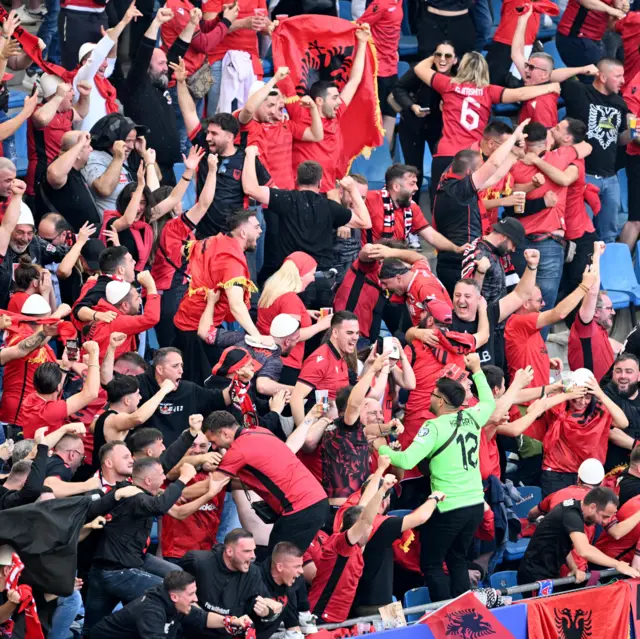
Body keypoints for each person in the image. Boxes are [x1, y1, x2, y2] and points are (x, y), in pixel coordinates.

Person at [375, 354, 496, 602]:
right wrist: (477, 371)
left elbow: (407, 461)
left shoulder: (434, 426)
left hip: (449, 506)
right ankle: (463, 612)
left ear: (441, 402)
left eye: (432, 394)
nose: (429, 397)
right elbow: (490, 403)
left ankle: (446, 615)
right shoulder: (472, 416)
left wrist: (380, 448)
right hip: (474, 505)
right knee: (457, 560)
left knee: (431, 564)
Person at [413, 52, 561, 194]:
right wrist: (550, 87)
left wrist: (439, 56)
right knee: (469, 203)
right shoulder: (488, 91)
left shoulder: (448, 84)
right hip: (473, 155)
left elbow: (419, 68)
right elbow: (520, 94)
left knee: (440, 203)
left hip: (446, 152)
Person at [83, 459, 199, 631]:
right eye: (161, 474)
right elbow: (159, 506)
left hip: (121, 563)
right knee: (170, 592)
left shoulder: (134, 493)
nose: (164, 476)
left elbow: (166, 461)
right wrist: (184, 478)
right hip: (116, 572)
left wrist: (189, 435)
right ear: (148, 481)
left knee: (177, 577)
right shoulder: (135, 497)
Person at [170, 60, 272, 239]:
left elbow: (271, 192)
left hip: (235, 239)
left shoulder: (247, 159)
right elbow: (189, 112)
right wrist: (180, 82)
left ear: (230, 136)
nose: (208, 137)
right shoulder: (204, 147)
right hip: (204, 237)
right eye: (208, 132)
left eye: (214, 134)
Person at [204, 411, 329, 552]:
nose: (213, 447)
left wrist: (180, 489)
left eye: (213, 442)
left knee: (277, 564)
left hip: (300, 507)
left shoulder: (238, 449)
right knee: (284, 560)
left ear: (225, 433)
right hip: (317, 500)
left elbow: (213, 485)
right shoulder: (260, 431)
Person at [431, 119, 530, 294]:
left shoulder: (454, 186)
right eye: (479, 169)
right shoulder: (458, 190)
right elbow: (493, 166)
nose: (483, 169)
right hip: (458, 265)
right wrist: (514, 136)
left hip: (460, 261)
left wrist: (514, 155)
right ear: (470, 174)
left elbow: (493, 177)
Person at [506, 121, 592, 317]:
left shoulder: (514, 167)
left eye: (558, 128)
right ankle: (538, 347)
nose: (553, 129)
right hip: (548, 243)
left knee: (518, 303)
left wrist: (530, 161)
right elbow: (588, 145)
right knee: (543, 308)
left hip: (519, 242)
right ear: (546, 142)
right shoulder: (563, 156)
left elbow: (510, 203)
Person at [242, 153, 371, 282]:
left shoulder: (285, 199)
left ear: (296, 179)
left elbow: (250, 188)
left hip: (291, 280)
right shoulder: (330, 207)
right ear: (320, 183)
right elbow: (365, 222)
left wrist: (250, 154)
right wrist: (353, 190)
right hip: (319, 281)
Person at [288, 24, 371, 193]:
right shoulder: (300, 113)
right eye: (334, 98)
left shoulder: (336, 114)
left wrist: (362, 43)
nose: (339, 101)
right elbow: (285, 77)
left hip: (330, 189)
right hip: (303, 192)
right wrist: (276, 37)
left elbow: (354, 80)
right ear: (319, 101)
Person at [561, 58, 630, 244]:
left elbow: (620, 139)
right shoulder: (580, 92)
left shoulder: (619, 103)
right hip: (583, 176)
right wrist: (583, 68)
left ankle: (604, 273)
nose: (623, 80)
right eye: (618, 76)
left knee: (608, 234)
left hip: (610, 177)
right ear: (602, 76)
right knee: (579, 233)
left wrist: (633, 133)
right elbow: (551, 76)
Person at [103, 346, 231, 446]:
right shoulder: (138, 384)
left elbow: (221, 398)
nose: (181, 370)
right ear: (159, 369)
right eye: (175, 366)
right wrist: (163, 391)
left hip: (182, 454)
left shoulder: (189, 389)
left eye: (181, 365)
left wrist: (241, 382)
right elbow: (109, 387)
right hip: (146, 458)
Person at [517, 487, 640, 588]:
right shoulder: (571, 515)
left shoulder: (574, 510)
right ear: (592, 507)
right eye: (604, 516)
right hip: (535, 577)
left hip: (548, 573)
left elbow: (562, 544)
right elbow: (584, 550)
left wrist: (574, 567)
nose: (604, 522)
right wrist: (618, 565)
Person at [504, 266, 599, 389]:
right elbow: (559, 313)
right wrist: (584, 286)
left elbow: (523, 355)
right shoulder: (518, 322)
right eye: (540, 300)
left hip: (539, 400)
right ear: (526, 304)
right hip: (526, 404)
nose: (543, 304)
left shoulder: (530, 325)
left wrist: (544, 362)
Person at [89, 570, 255, 639]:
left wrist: (231, 621)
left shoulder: (176, 604)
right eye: (191, 594)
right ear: (174, 596)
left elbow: (202, 618)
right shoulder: (152, 611)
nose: (196, 599)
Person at [181, 529, 283, 639]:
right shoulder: (198, 562)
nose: (253, 556)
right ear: (229, 551)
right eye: (247, 551)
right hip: (190, 632)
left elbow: (266, 606)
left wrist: (267, 612)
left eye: (254, 550)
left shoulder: (252, 573)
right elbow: (175, 592)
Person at [236, 68, 324, 191]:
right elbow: (249, 109)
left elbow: (317, 136)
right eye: (270, 105)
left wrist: (314, 109)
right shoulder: (247, 125)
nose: (274, 110)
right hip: (262, 195)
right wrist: (274, 79)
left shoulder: (285, 124)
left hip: (287, 194)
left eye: (276, 105)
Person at [509, 7, 599, 126]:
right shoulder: (532, 77)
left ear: (544, 75)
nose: (526, 69)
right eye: (528, 65)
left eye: (531, 67)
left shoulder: (544, 101)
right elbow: (516, 53)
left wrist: (581, 70)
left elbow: (545, 139)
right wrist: (522, 21)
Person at [256, 253, 332, 386]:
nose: (313, 279)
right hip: (285, 363)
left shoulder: (272, 290)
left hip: (263, 356)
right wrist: (321, 326)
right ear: (301, 274)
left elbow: (276, 313)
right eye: (312, 274)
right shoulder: (290, 299)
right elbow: (292, 335)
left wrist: (303, 313)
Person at [392, 43, 458, 187]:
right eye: (438, 55)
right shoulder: (422, 71)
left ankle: (438, 206)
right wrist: (412, 106)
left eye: (447, 56)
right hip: (413, 124)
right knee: (414, 171)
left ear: (455, 60)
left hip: (440, 127)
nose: (442, 59)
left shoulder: (459, 76)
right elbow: (398, 88)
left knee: (442, 171)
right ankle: (411, 207)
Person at [333, 241, 424, 345]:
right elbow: (367, 250)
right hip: (346, 334)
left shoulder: (393, 283)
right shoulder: (369, 267)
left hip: (365, 337)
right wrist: (387, 252)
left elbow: (422, 260)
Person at [26, 75, 90, 205]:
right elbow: (41, 119)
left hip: (63, 173)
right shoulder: (38, 110)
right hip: (42, 174)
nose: (73, 93)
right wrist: (59, 96)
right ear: (55, 95)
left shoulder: (64, 112)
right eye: (69, 91)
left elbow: (81, 113)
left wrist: (85, 96)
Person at [18, 340, 101, 438]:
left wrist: (65, 366)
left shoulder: (30, 399)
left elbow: (55, 390)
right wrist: (94, 355)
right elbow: (91, 393)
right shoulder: (49, 411)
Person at [289, 310, 358, 426]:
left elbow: (325, 397)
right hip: (320, 429)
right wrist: (303, 434)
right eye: (350, 333)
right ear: (335, 333)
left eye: (357, 333)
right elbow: (296, 398)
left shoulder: (340, 357)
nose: (355, 337)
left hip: (333, 424)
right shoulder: (321, 359)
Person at [568, 243, 619, 382]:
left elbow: (611, 344)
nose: (613, 312)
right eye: (609, 308)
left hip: (605, 389)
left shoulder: (599, 328)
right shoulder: (585, 326)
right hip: (589, 394)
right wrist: (596, 256)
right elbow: (592, 291)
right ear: (595, 312)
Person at [84, 113, 147, 215]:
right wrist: (118, 159)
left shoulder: (130, 156)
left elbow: (158, 177)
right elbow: (104, 189)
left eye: (134, 141)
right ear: (113, 140)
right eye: (127, 141)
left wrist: (143, 153)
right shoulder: (94, 157)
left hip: (132, 221)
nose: (131, 146)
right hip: (110, 225)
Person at [86, 273, 160, 359]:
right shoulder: (117, 321)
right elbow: (151, 318)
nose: (140, 301)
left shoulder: (100, 310)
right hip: (106, 369)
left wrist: (90, 283)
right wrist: (151, 286)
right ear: (125, 305)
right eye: (137, 298)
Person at [42, 130, 103, 231]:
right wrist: (80, 143)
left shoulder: (76, 170)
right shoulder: (60, 170)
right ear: (77, 153)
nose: (91, 149)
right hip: (68, 242)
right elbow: (55, 174)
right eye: (88, 146)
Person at [461, 217, 527, 306]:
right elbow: (467, 297)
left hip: (503, 312)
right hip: (484, 315)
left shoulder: (501, 251)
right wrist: (480, 272)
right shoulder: (477, 254)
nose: (513, 249)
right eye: (514, 244)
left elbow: (513, 285)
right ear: (503, 237)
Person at [528, 458, 605, 522]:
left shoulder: (557, 493)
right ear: (602, 483)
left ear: (578, 478)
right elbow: (616, 533)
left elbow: (532, 513)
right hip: (580, 538)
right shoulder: (602, 504)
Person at [556, 0, 627, 69]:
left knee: (607, 73)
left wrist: (619, 7)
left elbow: (610, 24)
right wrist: (610, 9)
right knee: (598, 76)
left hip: (596, 38)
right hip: (575, 37)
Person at [604, 354, 640, 471]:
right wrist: (637, 446)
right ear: (613, 373)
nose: (623, 376)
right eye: (618, 371)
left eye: (629, 371)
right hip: (612, 471)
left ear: (638, 376)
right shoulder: (604, 396)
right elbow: (611, 432)